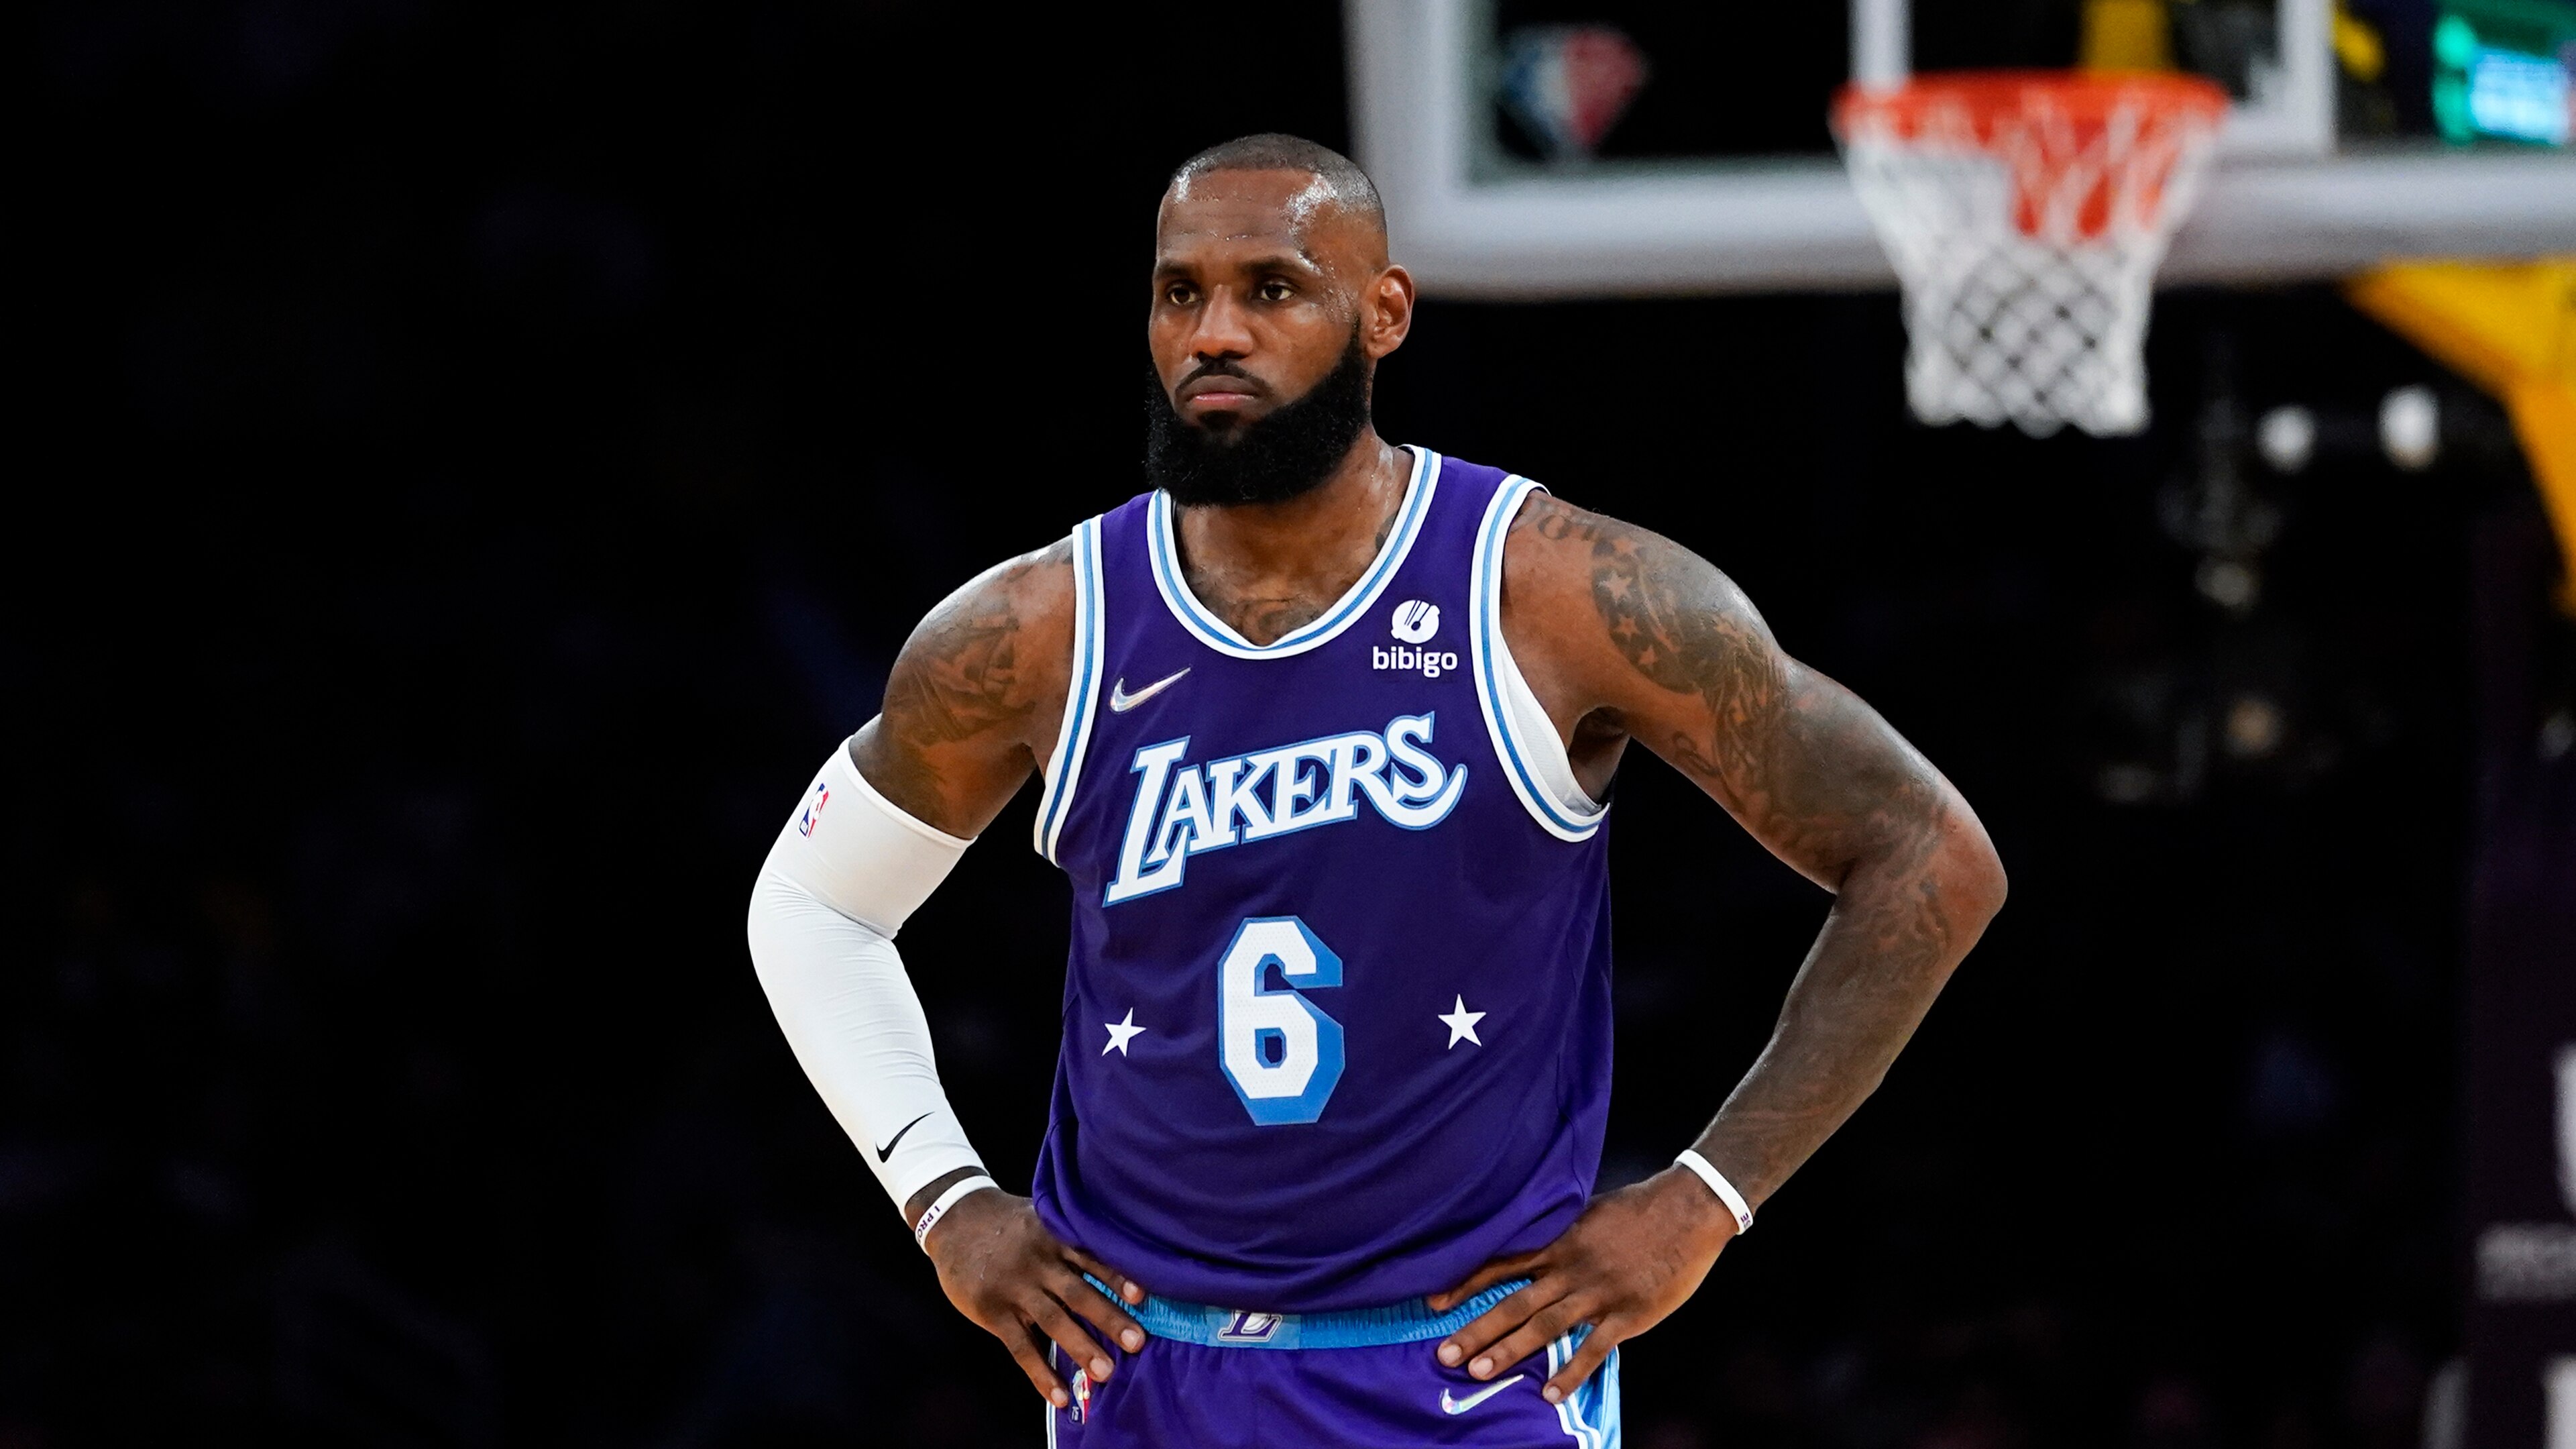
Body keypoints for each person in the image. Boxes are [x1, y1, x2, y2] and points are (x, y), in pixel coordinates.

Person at [746, 132, 2007, 1446]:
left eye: (1272, 289)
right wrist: (945, 1199)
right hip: (1142, 1373)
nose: (1215, 332)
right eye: (1182, 293)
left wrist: (1706, 1198)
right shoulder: (1037, 631)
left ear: (1381, 312)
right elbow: (813, 908)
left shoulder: (1558, 595)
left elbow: (1927, 854)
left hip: (1468, 1373)